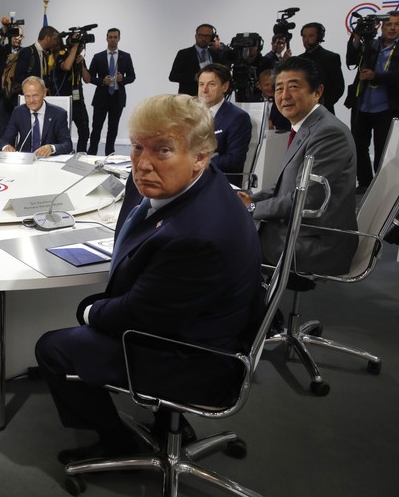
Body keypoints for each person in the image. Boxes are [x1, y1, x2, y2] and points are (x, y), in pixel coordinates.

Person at [35, 93, 263, 464]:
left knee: (54, 347)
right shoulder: (210, 185)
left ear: (200, 157)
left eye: (163, 151)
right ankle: (166, 422)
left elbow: (137, 316)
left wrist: (88, 311)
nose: (142, 164)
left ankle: (116, 442)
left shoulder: (195, 235)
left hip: (197, 360)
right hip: (210, 330)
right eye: (138, 147)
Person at [238, 57, 357, 275]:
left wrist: (251, 209)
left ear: (317, 91)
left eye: (294, 87)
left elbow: (307, 199)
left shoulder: (329, 133)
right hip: (293, 228)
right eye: (279, 88)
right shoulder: (306, 126)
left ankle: (255, 307)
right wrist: (251, 199)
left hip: (314, 242)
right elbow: (284, 186)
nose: (284, 96)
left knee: (224, 245)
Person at [345, 11, 399, 192]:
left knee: (382, 148)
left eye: (397, 24)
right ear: (381, 26)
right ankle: (365, 182)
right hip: (362, 104)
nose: (392, 28)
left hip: (386, 107)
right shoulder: (370, 44)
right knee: (359, 145)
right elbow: (351, 59)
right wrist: (357, 36)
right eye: (389, 24)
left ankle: (380, 187)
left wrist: (376, 76)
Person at [196, 63, 251, 185]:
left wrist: (198, 164)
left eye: (211, 84)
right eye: (201, 84)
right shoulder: (191, 113)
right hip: (189, 178)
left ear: (225, 87)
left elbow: (235, 159)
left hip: (218, 181)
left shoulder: (238, 117)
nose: (204, 90)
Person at [87, 28, 136, 155]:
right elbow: (89, 77)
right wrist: (102, 81)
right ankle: (92, 153)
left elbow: (132, 76)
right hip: (101, 97)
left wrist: (122, 79)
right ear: (106, 38)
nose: (113, 39)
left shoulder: (126, 56)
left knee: (113, 128)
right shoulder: (98, 57)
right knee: (96, 128)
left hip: (117, 98)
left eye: (115, 37)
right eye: (110, 37)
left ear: (119, 38)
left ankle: (110, 154)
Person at [0, 76, 72, 156]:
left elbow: (67, 145)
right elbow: (5, 139)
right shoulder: (18, 112)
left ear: (44, 93)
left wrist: (51, 148)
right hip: (25, 160)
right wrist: (6, 146)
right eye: (27, 96)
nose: (31, 101)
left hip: (48, 161)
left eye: (35, 96)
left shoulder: (58, 114)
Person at [50, 33, 91, 153]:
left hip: (78, 101)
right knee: (61, 131)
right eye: (79, 45)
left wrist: (82, 65)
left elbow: (88, 79)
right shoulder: (61, 57)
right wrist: (74, 48)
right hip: (63, 102)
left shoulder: (80, 60)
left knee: (84, 130)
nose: (81, 48)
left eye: (82, 46)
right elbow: (67, 67)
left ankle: (81, 155)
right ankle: (62, 152)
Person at [296, 22, 344, 115]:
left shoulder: (331, 57)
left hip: (324, 110)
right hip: (301, 111)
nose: (306, 39)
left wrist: (323, 103)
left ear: (319, 37)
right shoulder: (298, 60)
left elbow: (338, 87)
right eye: (304, 36)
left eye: (310, 36)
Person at [168, 23, 229, 96]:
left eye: (207, 36)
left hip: (211, 97)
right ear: (196, 36)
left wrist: (219, 48)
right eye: (201, 35)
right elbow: (173, 76)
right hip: (190, 97)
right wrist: (196, 77)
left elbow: (224, 73)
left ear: (212, 38)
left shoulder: (215, 54)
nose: (204, 38)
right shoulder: (184, 53)